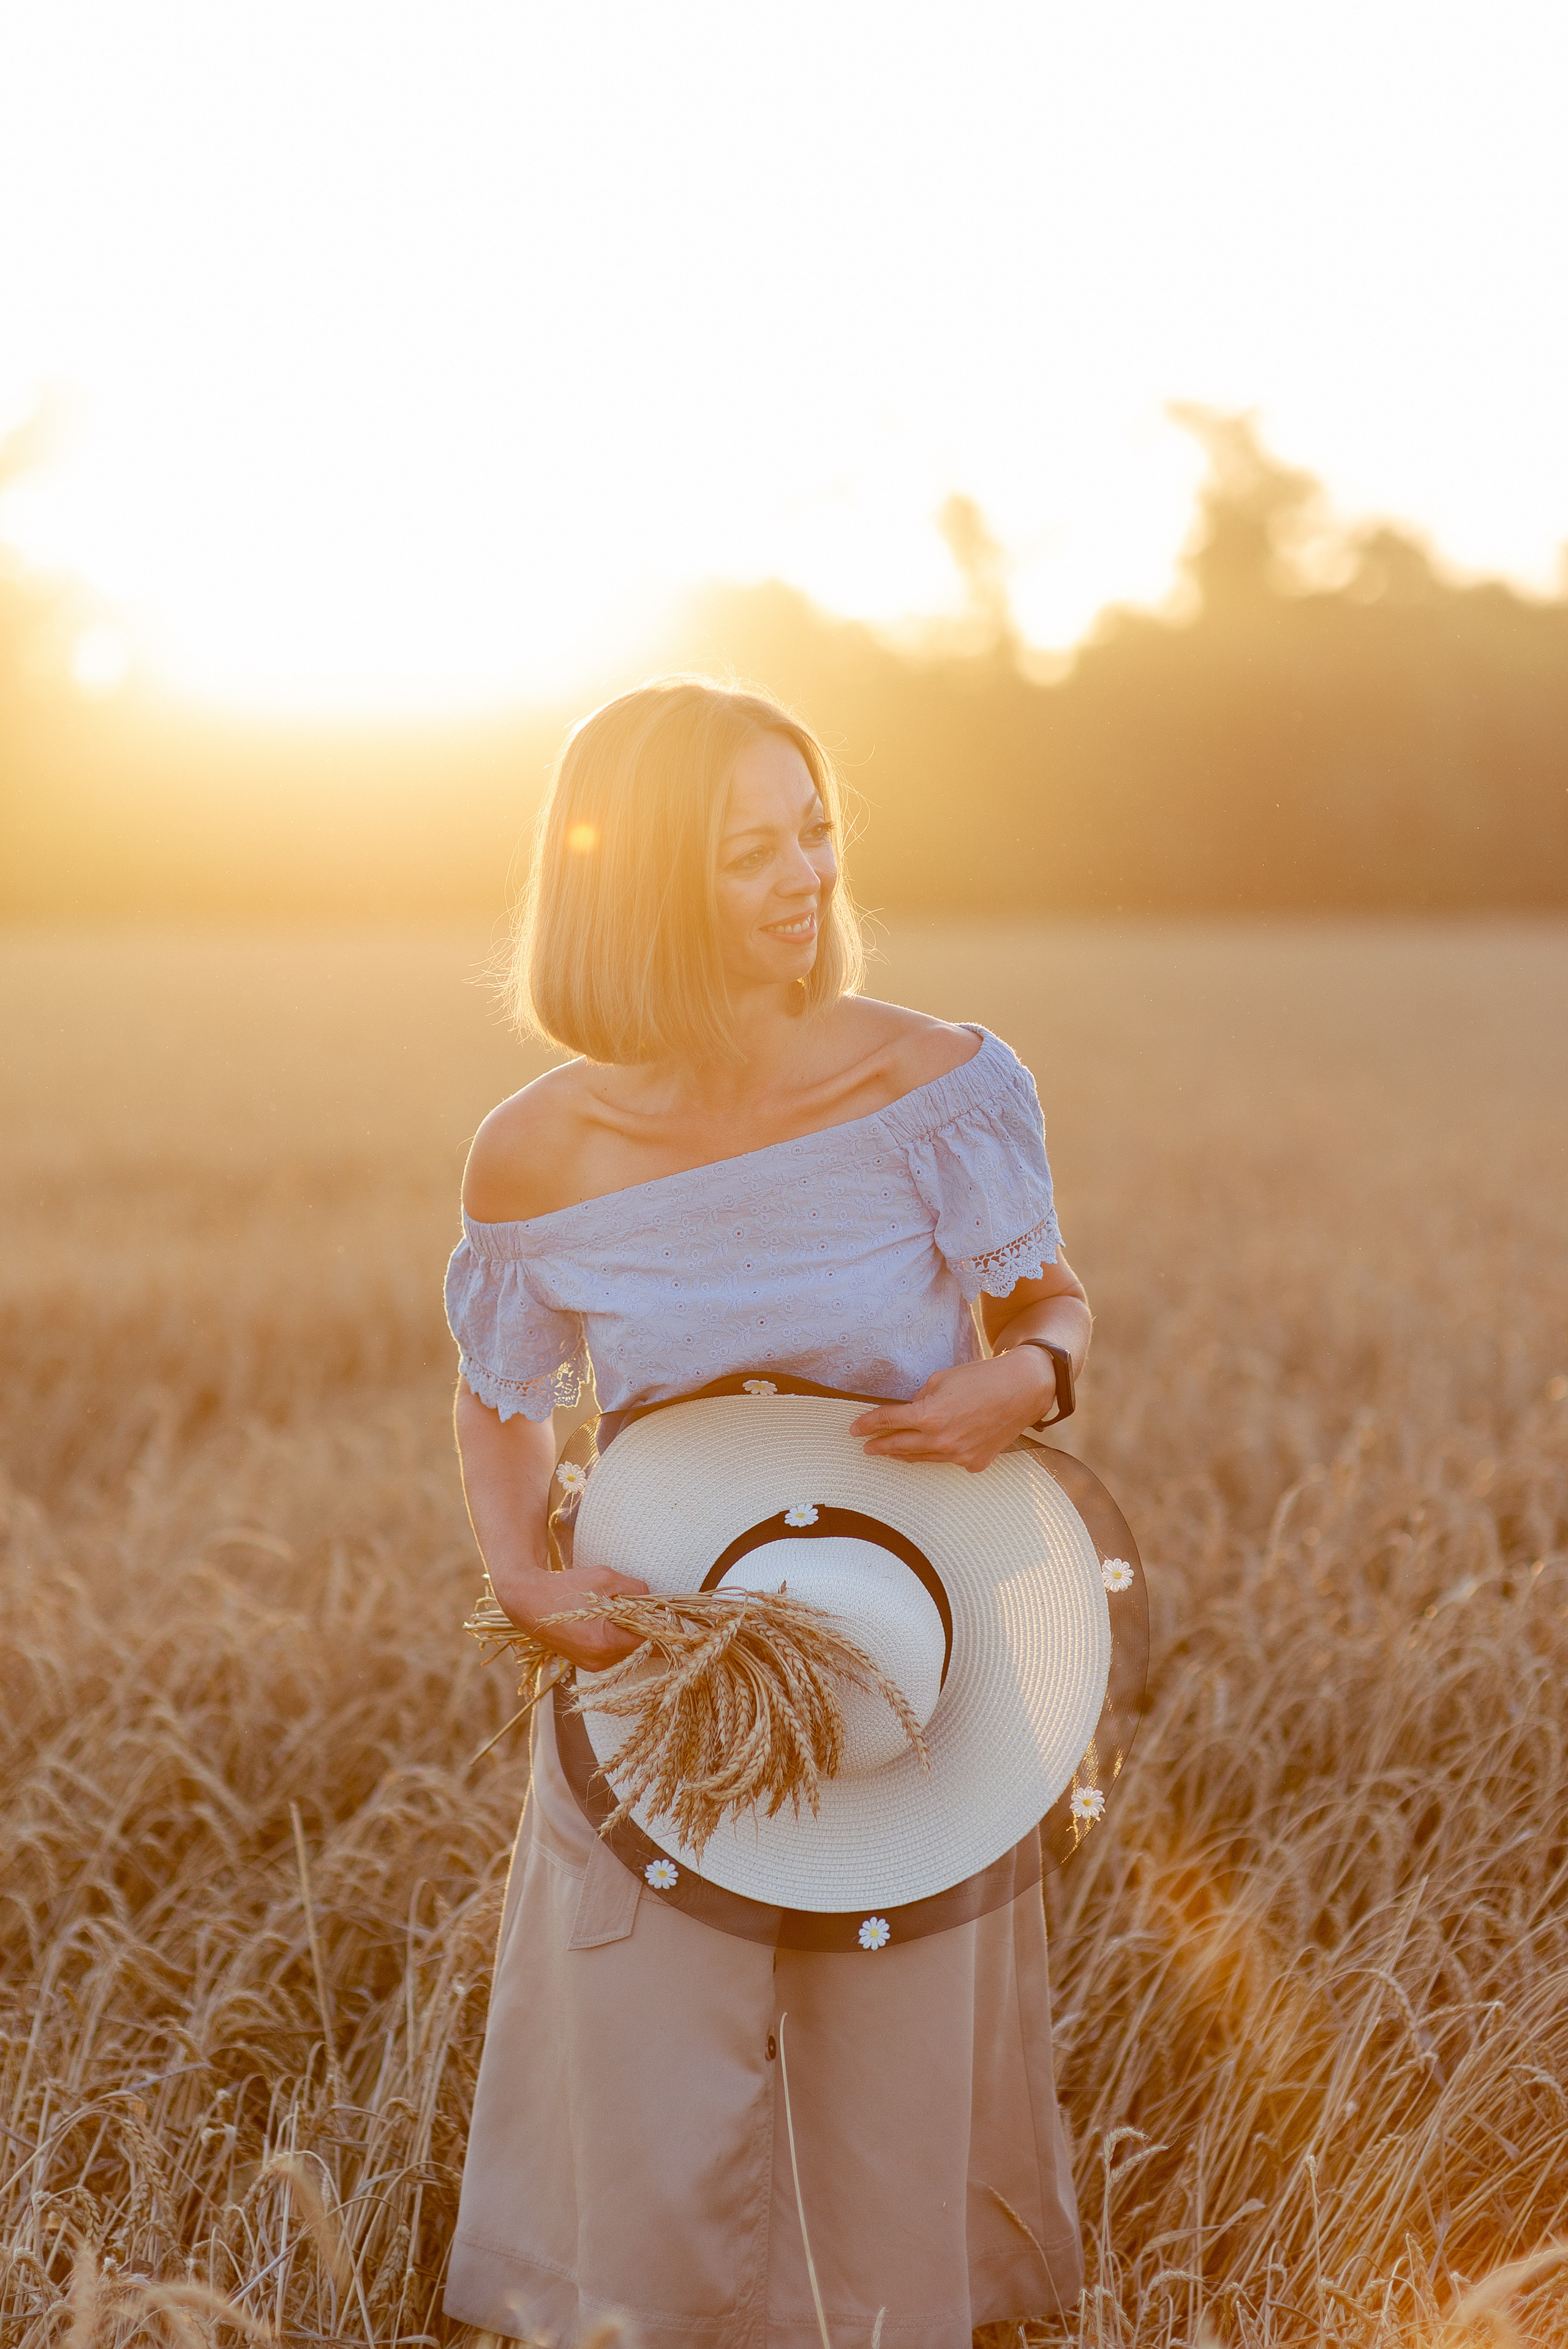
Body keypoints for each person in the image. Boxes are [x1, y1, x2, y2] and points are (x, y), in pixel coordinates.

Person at [442, 677, 1093, 2348]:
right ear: (643, 880)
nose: (807, 875)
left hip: (911, 1644)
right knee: (650, 2069)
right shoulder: (539, 1150)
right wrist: (520, 1566)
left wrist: (1022, 1386)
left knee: (887, 2085)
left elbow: (1054, 1309)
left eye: (815, 830)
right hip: (663, 1647)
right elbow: (502, 1390)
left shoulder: (939, 1082)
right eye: (753, 851)